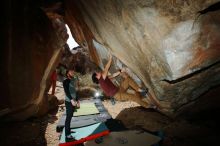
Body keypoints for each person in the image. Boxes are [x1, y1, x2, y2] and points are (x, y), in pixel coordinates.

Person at [63, 69, 80, 142]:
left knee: (70, 116)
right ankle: (67, 135)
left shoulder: (73, 81)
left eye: (73, 71)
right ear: (67, 74)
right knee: (68, 117)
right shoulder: (65, 81)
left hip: (74, 101)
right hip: (69, 102)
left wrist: (78, 100)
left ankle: (68, 130)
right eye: (70, 71)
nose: (72, 72)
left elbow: (76, 91)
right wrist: (71, 100)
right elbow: (66, 91)